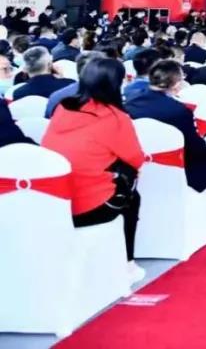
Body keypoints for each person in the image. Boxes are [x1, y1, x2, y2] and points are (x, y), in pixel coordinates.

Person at [41, 58, 145, 281]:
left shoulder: (63, 108)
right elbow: (136, 159)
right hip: (91, 204)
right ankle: (127, 262)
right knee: (132, 196)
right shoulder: (114, 117)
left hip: (54, 201)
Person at [126, 60, 206, 226]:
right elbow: (197, 150)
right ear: (177, 84)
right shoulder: (177, 110)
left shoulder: (130, 103)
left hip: (141, 162)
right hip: (182, 163)